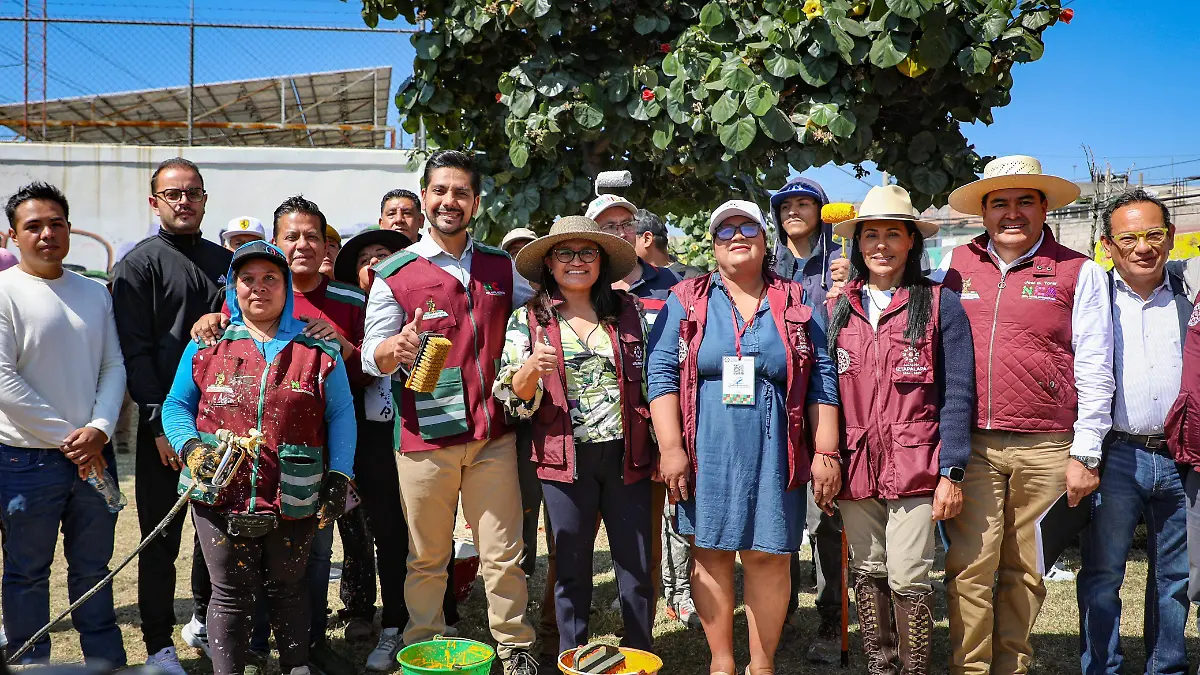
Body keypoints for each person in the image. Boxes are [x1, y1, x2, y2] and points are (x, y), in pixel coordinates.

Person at [361, 149, 540, 675]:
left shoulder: (500, 266)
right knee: (426, 557)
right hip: (423, 439)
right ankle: (425, 648)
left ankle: (515, 647)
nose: (450, 201)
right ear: (424, 198)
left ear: (476, 202)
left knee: (503, 554)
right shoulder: (395, 272)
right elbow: (372, 355)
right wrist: (396, 347)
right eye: (440, 191)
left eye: (461, 192)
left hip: (492, 435)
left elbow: (542, 309)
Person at [936, 155, 1114, 675]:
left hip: (1048, 444)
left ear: (1042, 209)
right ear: (984, 212)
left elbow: (1096, 364)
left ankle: (1011, 665)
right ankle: (969, 668)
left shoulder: (1078, 271)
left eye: (1023, 202)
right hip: (972, 445)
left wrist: (1086, 449)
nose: (1011, 213)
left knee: (1027, 570)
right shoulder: (953, 267)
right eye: (999, 204)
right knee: (969, 567)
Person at [649, 199, 841, 675]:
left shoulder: (794, 299)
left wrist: (826, 450)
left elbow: (822, 375)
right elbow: (660, 374)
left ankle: (762, 664)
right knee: (710, 553)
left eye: (748, 228)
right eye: (725, 230)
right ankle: (721, 662)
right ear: (712, 245)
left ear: (764, 238)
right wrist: (671, 449)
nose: (737, 236)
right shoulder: (687, 298)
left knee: (770, 558)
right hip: (706, 445)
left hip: (777, 446)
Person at [190, 196, 370, 675]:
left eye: (270, 279)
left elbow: (342, 414)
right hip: (222, 489)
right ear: (233, 287)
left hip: (296, 484)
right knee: (229, 592)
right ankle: (236, 662)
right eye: (247, 280)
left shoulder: (316, 346)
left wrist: (339, 475)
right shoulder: (209, 344)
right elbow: (176, 405)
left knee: (293, 586)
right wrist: (190, 448)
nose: (258, 288)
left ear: (286, 287)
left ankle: (299, 664)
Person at [824, 186, 974, 675]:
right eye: (871, 235)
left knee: (909, 575)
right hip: (853, 465)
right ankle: (881, 668)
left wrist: (952, 471)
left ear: (912, 242)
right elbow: (822, 394)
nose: (881, 245)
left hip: (917, 464)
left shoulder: (939, 304)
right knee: (867, 572)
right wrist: (824, 458)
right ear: (858, 244)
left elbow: (957, 395)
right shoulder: (835, 310)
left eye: (894, 233)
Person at [496, 216, 657, 653]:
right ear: (548, 263)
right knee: (569, 564)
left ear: (601, 262)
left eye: (587, 252)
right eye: (564, 253)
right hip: (562, 457)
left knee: (636, 563)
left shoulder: (629, 312)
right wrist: (530, 370)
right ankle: (572, 653)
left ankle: (639, 650)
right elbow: (509, 394)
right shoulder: (528, 319)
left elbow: (653, 381)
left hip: (628, 454)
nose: (576, 261)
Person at [109, 157, 229, 674]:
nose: (185, 201)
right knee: (162, 539)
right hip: (168, 428)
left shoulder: (229, 262)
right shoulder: (137, 267)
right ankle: (159, 645)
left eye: (194, 193)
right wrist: (160, 426)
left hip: (230, 425)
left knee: (220, 537)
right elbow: (134, 353)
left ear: (205, 199)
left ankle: (208, 624)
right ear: (154, 201)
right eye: (173, 194)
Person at [0, 183, 126, 667]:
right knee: (27, 570)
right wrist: (71, 439)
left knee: (93, 568)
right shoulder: (7, 295)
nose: (46, 233)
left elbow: (112, 366)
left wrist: (99, 428)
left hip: (94, 453)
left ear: (70, 229)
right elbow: (5, 381)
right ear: (14, 236)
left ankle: (104, 661)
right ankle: (31, 662)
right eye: (33, 226)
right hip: (25, 460)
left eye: (56, 224)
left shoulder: (94, 293)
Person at [1079, 190, 1189, 675]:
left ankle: (1165, 667)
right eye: (1129, 237)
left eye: (1153, 235)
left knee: (1175, 577)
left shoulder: (1191, 295)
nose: (1143, 247)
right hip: (1116, 452)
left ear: (1170, 238)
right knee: (1103, 574)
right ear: (1108, 245)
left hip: (1183, 456)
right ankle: (1101, 667)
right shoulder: (1094, 296)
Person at [334, 226, 442, 671]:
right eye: (366, 259)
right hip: (370, 437)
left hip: (425, 430)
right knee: (382, 532)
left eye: (385, 255)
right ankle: (385, 619)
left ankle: (428, 619)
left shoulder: (422, 305)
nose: (375, 263)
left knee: (427, 532)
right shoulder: (347, 312)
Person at [769, 175, 847, 661]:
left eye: (805, 203)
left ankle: (831, 618)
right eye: (786, 205)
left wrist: (846, 291)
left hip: (826, 400)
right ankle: (781, 608)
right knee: (775, 517)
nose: (794, 211)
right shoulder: (765, 263)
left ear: (822, 211)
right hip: (774, 405)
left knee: (825, 520)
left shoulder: (844, 261)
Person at [633, 209, 702, 279]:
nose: (623, 246)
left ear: (647, 239)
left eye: (626, 239)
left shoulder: (692, 278)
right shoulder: (628, 281)